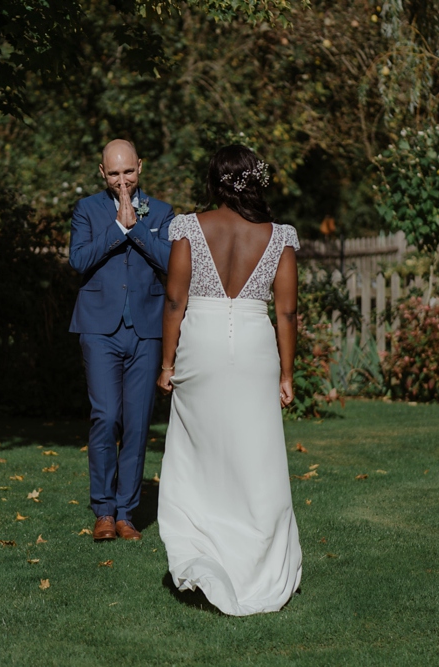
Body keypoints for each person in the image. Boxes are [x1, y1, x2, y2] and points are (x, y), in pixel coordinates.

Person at [156, 145, 302, 615]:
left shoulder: (188, 228)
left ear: (216, 181)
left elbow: (175, 302)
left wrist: (166, 364)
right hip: (255, 348)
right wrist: (287, 373)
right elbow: (286, 311)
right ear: (254, 182)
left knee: (199, 452)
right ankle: (258, 558)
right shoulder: (278, 237)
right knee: (255, 453)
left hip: (202, 346)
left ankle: (203, 548)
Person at [68, 139, 175, 541]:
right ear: (101, 173)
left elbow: (169, 262)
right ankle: (103, 511)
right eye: (113, 174)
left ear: (140, 167)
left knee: (136, 423)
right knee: (105, 417)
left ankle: (126, 513)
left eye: (127, 172)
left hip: (147, 330)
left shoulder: (162, 213)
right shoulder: (87, 210)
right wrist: (116, 228)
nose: (121, 181)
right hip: (98, 328)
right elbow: (78, 260)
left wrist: (138, 228)